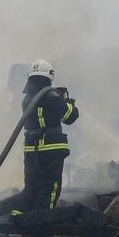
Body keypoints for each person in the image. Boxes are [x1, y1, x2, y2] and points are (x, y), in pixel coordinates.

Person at [16, 60, 80, 215]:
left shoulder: (27, 99)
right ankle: (42, 222)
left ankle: (23, 219)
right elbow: (70, 117)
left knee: (32, 186)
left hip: (31, 150)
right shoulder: (52, 96)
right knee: (50, 188)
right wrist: (68, 101)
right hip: (51, 149)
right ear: (50, 76)